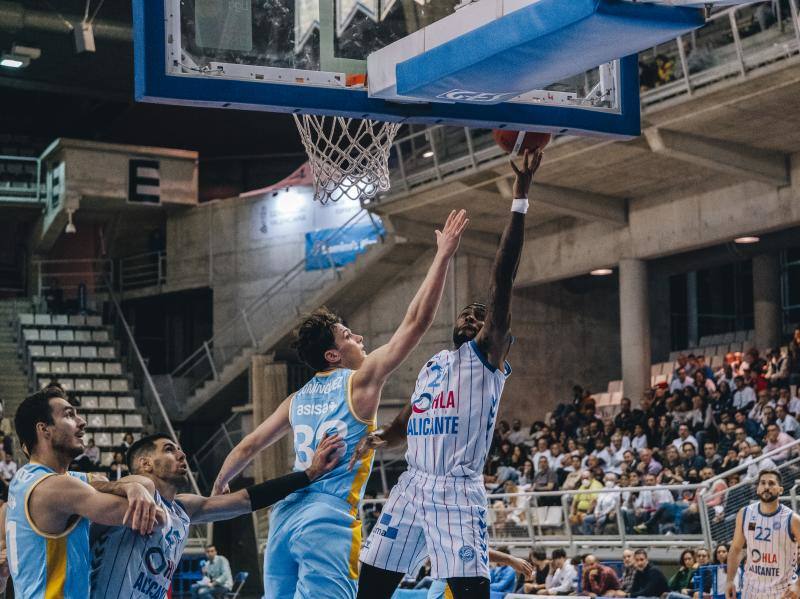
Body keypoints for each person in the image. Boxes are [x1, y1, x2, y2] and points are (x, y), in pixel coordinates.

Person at [212, 209, 469, 599]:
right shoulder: (360, 381)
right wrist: (443, 255)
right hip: (326, 518)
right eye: (349, 336)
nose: (360, 338)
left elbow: (249, 446)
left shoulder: (296, 399)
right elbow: (415, 322)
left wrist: (220, 483)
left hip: (283, 514)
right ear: (333, 355)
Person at [355, 151, 543, 599]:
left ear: (498, 336)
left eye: (480, 317)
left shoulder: (486, 359)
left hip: (457, 491)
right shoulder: (435, 364)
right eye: (466, 315)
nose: (471, 318)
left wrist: (520, 198)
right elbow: (410, 417)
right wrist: (382, 437)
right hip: (412, 483)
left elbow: (503, 280)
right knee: (370, 589)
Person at [90, 432, 343, 598]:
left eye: (179, 448)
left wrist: (308, 474)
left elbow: (245, 500)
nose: (181, 454)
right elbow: (76, 487)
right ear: (145, 464)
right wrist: (124, 484)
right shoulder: (127, 494)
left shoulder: (183, 508)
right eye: (169, 449)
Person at [7, 383, 162, 598]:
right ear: (44, 430)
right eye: (69, 415)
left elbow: (96, 481)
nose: (82, 422)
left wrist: (130, 485)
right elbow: (154, 517)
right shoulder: (55, 488)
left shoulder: (23, 479)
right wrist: (135, 486)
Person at [726, 469, 800, 599]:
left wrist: (799, 585)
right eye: (763, 483)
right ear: (757, 489)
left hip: (783, 591)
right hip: (751, 589)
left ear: (781, 490)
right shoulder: (744, 514)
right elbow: (736, 548)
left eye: (771, 483)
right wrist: (730, 580)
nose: (766, 487)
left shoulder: (792, 519)